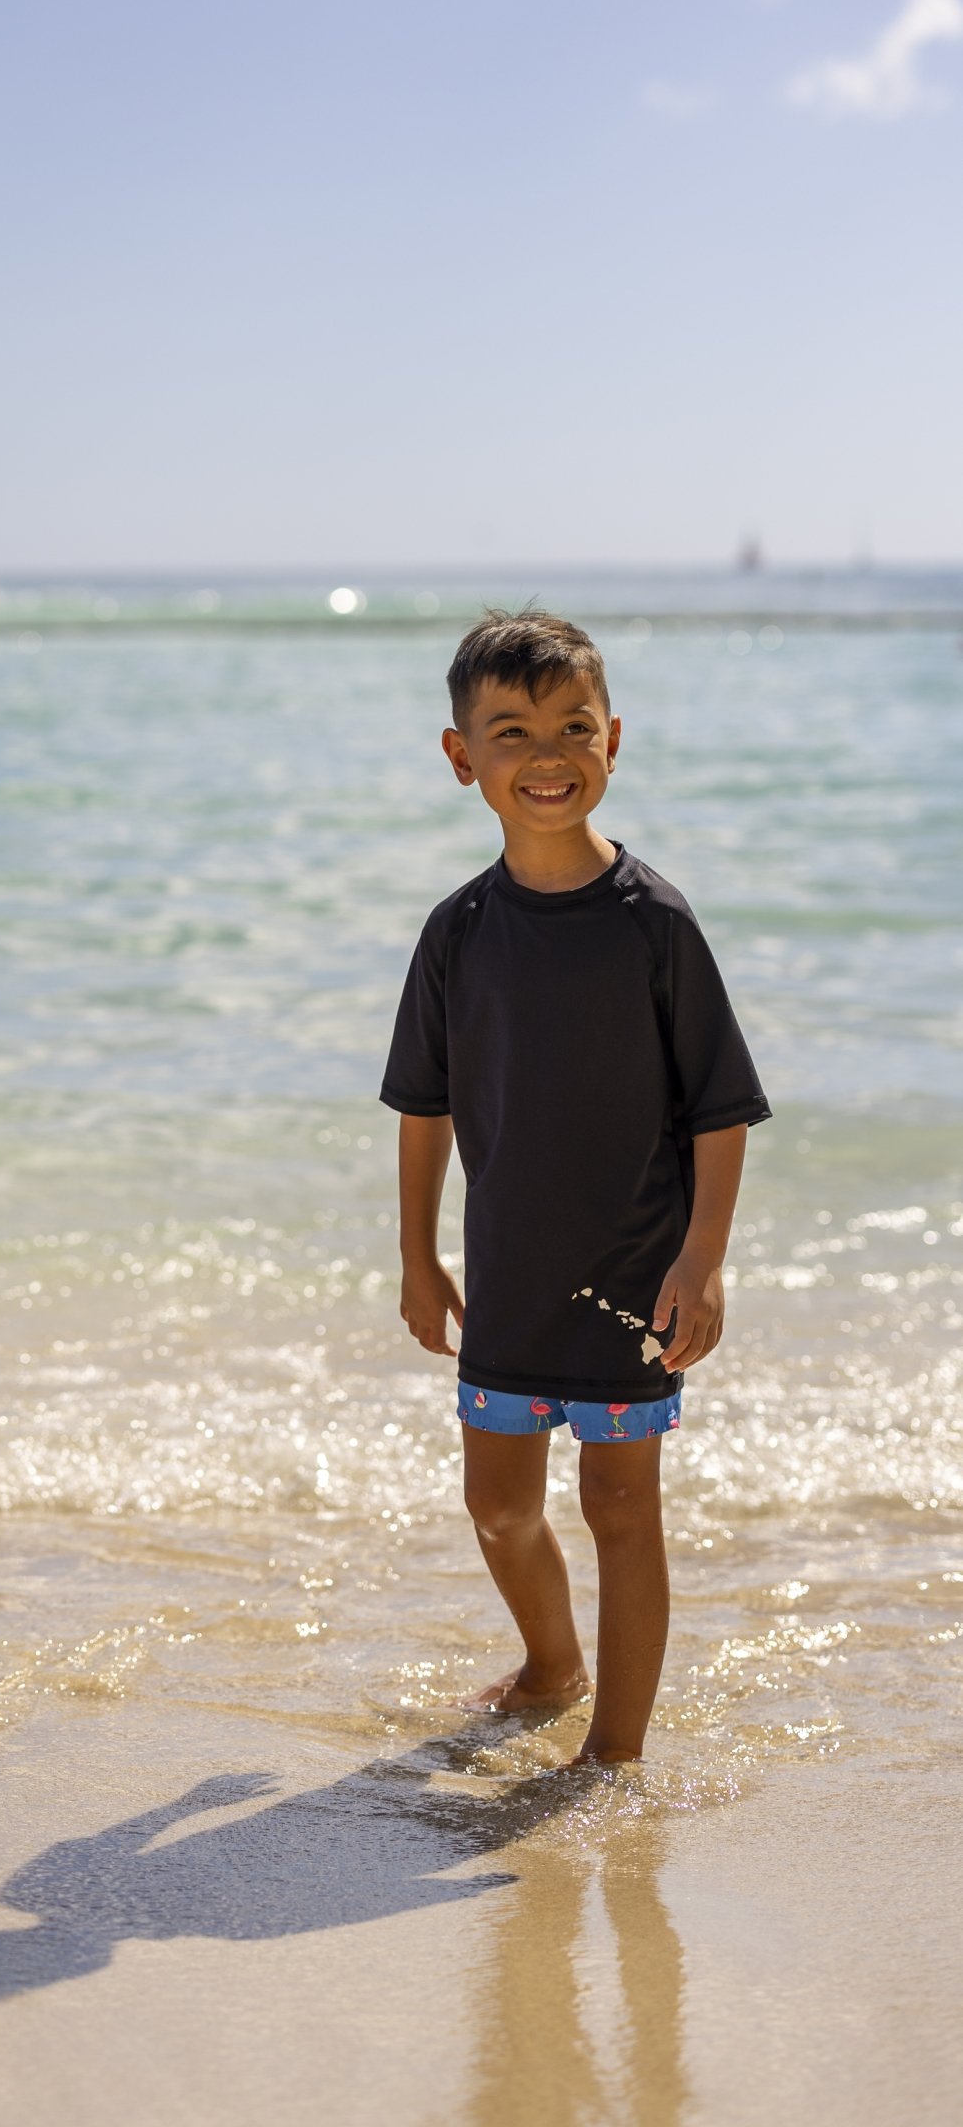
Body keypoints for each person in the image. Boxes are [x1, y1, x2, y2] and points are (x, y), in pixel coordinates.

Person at [383, 609, 768, 1763]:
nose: (545, 755)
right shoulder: (456, 932)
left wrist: (700, 1259)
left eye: (572, 726)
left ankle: (615, 1747)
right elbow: (422, 1107)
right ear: (462, 759)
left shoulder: (654, 925)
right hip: (508, 1283)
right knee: (496, 1505)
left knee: (619, 1510)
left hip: (630, 1284)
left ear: (613, 740)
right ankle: (552, 1661)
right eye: (510, 731)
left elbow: (718, 1108)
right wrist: (416, 1254)